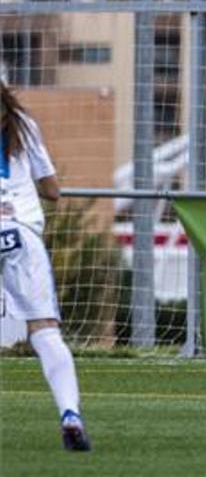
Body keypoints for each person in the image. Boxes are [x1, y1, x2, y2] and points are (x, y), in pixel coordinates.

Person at [1, 81, 91, 450]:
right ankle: (70, 413)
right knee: (44, 330)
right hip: (21, 232)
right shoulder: (23, 124)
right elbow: (52, 190)